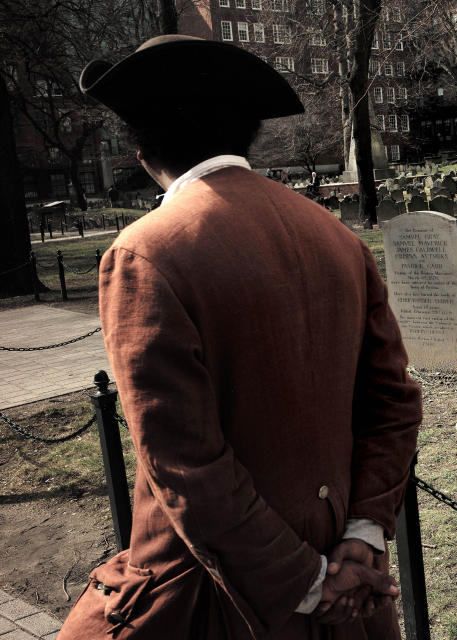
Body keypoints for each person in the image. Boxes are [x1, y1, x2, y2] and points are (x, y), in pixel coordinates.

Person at [61, 35, 421, 639]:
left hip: (221, 598)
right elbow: (393, 402)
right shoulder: (336, 237)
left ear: (143, 146)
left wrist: (305, 580)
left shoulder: (145, 253)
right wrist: (361, 533)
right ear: (247, 132)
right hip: (349, 597)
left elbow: (184, 462)